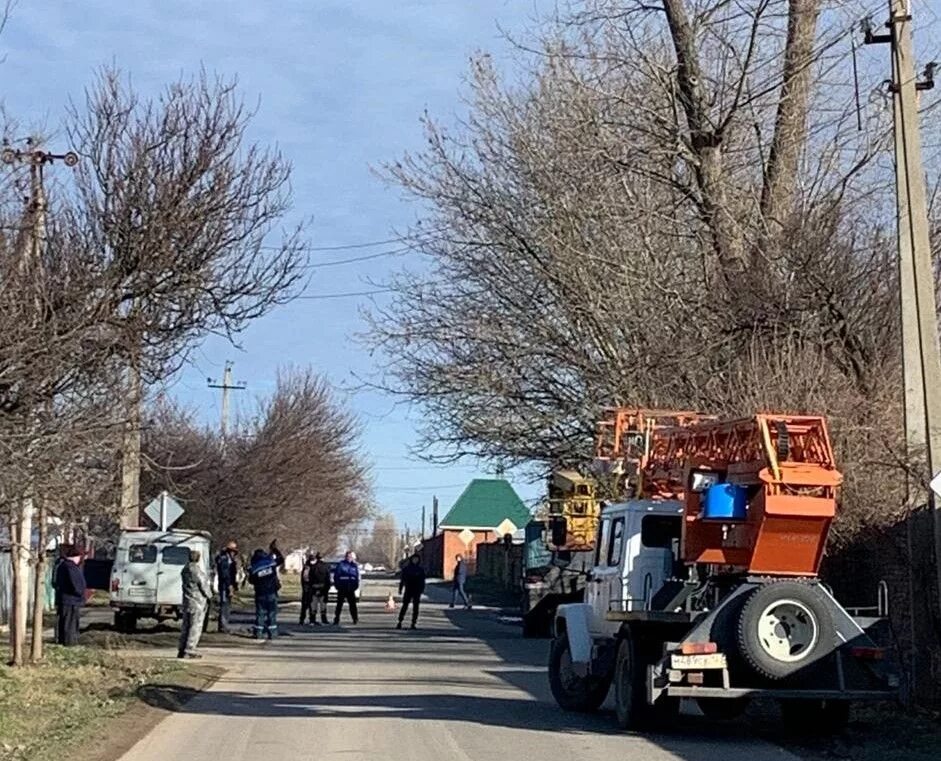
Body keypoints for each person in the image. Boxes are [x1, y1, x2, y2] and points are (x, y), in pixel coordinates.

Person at [179, 549, 212, 659]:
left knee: (186, 626)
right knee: (195, 626)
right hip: (197, 601)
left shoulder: (184, 569)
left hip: (187, 600)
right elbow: (203, 585)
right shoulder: (196, 571)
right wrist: (210, 595)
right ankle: (190, 649)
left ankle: (182, 648)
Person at [53, 545, 86, 646]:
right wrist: (80, 592)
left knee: (64, 622)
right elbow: (77, 584)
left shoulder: (60, 565)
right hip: (71, 600)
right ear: (76, 556)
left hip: (65, 599)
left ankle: (64, 641)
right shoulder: (70, 567)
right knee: (70, 624)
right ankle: (69, 643)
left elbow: (55, 583)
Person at [248, 548, 280, 639]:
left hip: (260, 594)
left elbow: (251, 581)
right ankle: (272, 633)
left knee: (260, 613)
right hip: (271, 593)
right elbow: (281, 559)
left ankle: (258, 633)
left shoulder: (254, 568)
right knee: (272, 613)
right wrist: (275, 549)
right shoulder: (271, 563)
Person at [214, 541, 239, 633]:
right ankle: (223, 626)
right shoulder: (224, 560)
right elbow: (225, 575)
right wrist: (230, 586)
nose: (234, 553)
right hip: (225, 586)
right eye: (232, 551)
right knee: (225, 606)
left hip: (227, 585)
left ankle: (224, 625)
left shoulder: (229, 560)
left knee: (227, 606)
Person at [397, 553, 426, 630]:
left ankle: (413, 623)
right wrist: (400, 589)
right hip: (408, 589)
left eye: (417, 559)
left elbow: (423, 581)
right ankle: (400, 621)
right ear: (411, 560)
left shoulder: (420, 570)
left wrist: (422, 589)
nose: (415, 561)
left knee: (416, 608)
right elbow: (402, 580)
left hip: (417, 590)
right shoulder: (407, 569)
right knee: (405, 606)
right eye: (414, 559)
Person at [332, 550, 360, 625]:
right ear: (346, 556)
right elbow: (336, 576)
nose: (350, 558)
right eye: (348, 556)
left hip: (351, 588)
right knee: (339, 605)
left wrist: (355, 586)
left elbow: (356, 577)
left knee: (353, 605)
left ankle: (355, 618)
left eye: (351, 556)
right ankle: (336, 619)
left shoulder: (354, 565)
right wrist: (337, 586)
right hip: (342, 588)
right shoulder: (341, 564)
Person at [309, 552, 331, 625]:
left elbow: (310, 579)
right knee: (323, 605)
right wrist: (327, 588)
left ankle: (312, 619)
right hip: (323, 588)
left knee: (314, 605)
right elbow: (328, 579)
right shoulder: (326, 567)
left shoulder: (313, 567)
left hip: (314, 587)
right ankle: (324, 619)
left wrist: (311, 587)